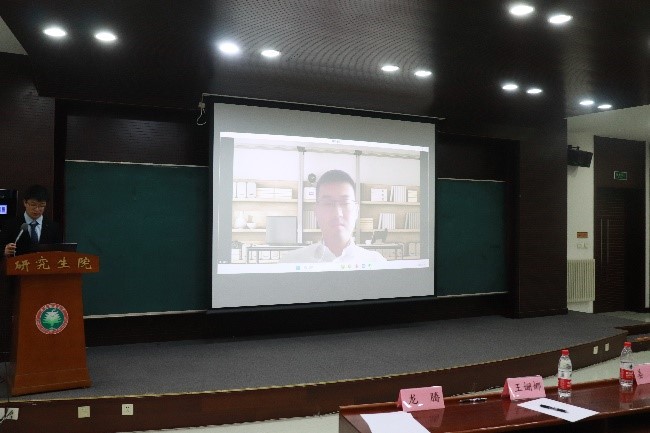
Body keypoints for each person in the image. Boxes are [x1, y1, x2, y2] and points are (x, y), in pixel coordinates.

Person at [280, 170, 385, 263]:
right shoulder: (290, 262)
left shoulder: (376, 263)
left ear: (356, 211)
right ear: (316, 211)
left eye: (345, 202)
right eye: (328, 203)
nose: (337, 213)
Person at [1, 184, 63, 257]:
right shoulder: (11, 224)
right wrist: (4, 251)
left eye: (41, 205)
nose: (37, 209)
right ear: (25, 202)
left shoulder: (53, 227)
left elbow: (59, 251)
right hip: (20, 263)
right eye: (33, 205)